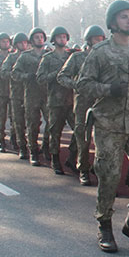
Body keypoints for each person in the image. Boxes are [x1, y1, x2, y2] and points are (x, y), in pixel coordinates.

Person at [77, 0, 129, 252]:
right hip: (108, 125)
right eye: (123, 16)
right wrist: (107, 89)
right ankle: (105, 224)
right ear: (112, 23)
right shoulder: (100, 52)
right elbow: (83, 85)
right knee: (109, 176)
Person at [58, 25, 106, 185]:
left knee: (102, 139)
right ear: (89, 40)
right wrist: (76, 85)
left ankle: (99, 170)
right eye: (96, 39)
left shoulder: (105, 57)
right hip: (82, 103)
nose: (99, 42)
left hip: (100, 102)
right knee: (83, 138)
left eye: (101, 39)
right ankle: (83, 170)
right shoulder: (77, 58)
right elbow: (62, 76)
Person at [37, 26, 77, 175]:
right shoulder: (47, 58)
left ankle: (72, 157)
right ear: (53, 40)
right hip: (55, 101)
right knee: (55, 132)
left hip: (71, 101)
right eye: (59, 37)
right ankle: (55, 159)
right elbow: (40, 78)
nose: (62, 39)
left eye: (64, 37)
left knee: (80, 131)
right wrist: (57, 73)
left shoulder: (71, 57)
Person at [13, 27, 49, 166]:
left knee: (51, 123)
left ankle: (46, 147)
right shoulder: (25, 56)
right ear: (32, 40)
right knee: (33, 125)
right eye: (36, 37)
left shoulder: (48, 55)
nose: (39, 39)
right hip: (31, 94)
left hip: (46, 94)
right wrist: (27, 76)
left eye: (41, 37)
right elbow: (15, 74)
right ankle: (33, 151)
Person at [2, 32, 30, 159]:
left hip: (31, 94)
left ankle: (28, 144)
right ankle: (21, 146)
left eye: (25, 42)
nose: (23, 45)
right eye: (20, 43)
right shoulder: (11, 58)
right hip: (16, 94)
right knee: (17, 121)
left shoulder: (31, 56)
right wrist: (21, 75)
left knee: (31, 121)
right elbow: (4, 73)